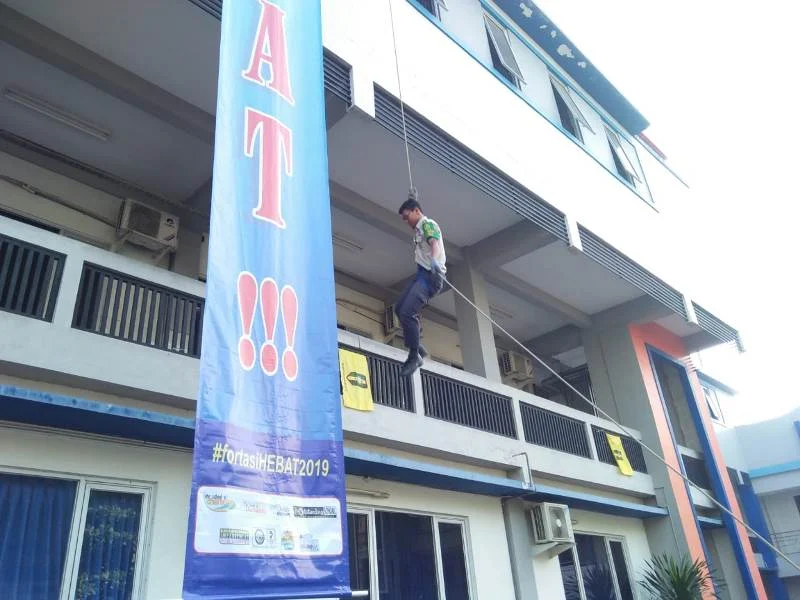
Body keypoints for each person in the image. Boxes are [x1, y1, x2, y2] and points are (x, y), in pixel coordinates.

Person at [395, 191, 447, 377]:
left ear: (416, 211)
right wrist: (412, 197)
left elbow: (434, 244)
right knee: (399, 309)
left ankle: (414, 356)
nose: (406, 221)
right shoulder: (419, 228)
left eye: (407, 216)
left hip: (430, 277)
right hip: (421, 275)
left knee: (408, 312)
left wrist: (434, 260)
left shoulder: (427, 224)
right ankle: (417, 347)